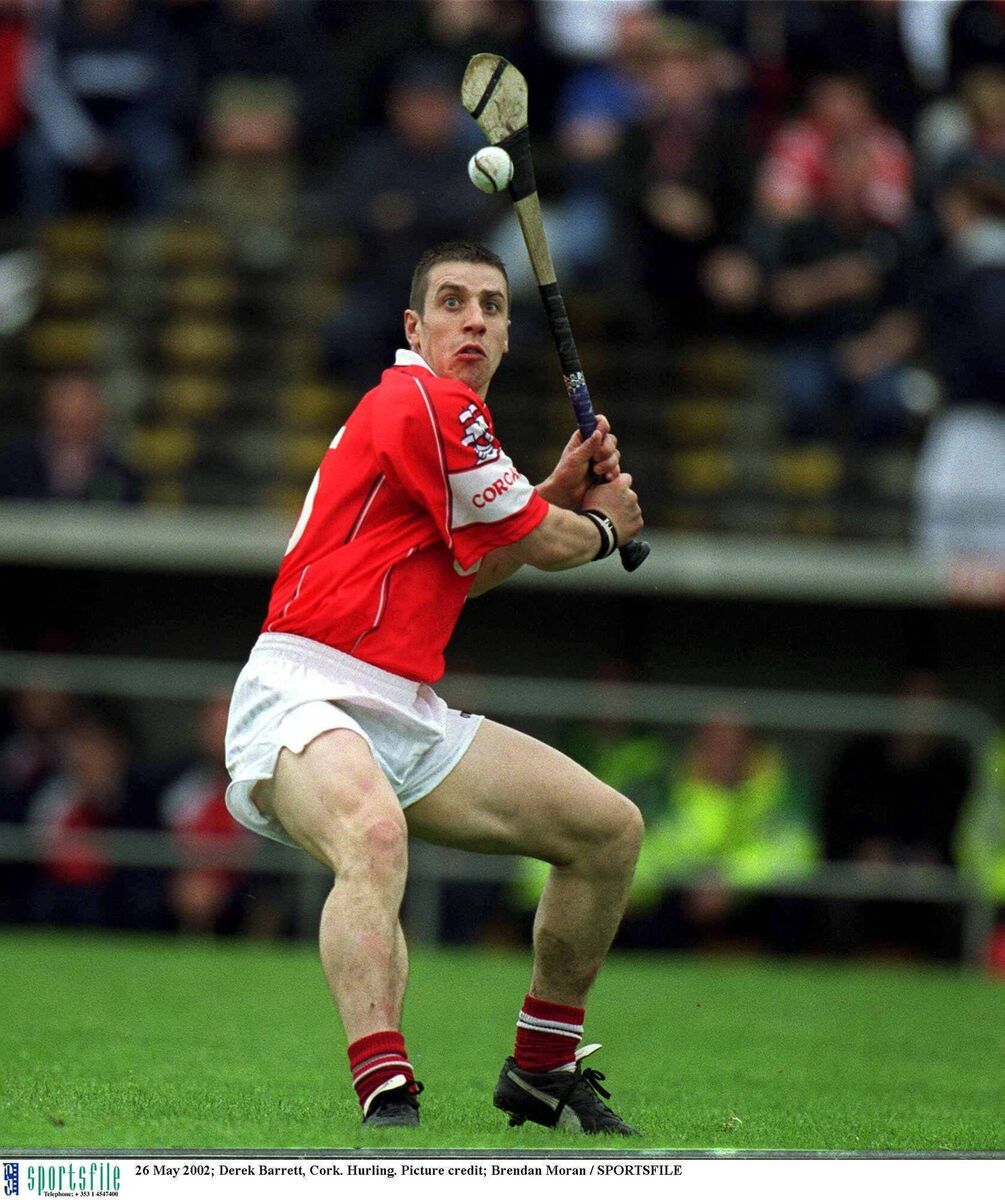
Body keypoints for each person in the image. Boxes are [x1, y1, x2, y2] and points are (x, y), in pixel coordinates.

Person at [225, 240, 645, 1132]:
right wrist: (599, 529)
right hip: (306, 685)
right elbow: (551, 546)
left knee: (606, 833)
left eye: (492, 308)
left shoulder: (453, 431)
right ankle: (387, 1093)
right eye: (452, 303)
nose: (475, 320)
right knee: (373, 836)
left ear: (503, 339)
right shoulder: (421, 397)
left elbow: (478, 567)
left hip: (405, 707)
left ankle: (541, 1066)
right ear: (415, 329)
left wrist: (551, 496)